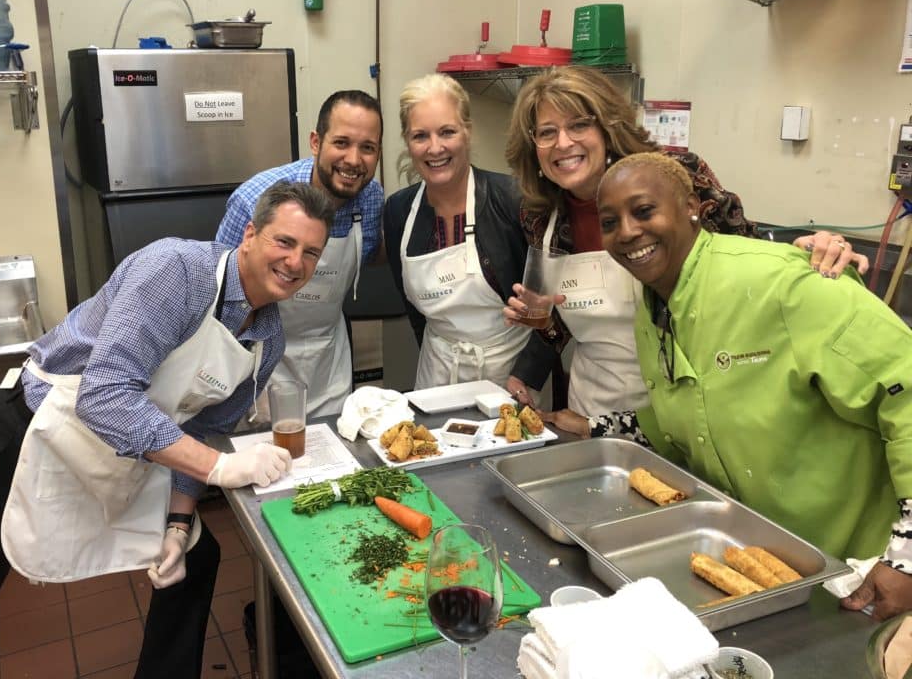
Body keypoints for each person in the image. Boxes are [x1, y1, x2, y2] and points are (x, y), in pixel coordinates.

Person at [0, 182, 336, 679]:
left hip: (118, 453)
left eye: (311, 253)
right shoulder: (176, 273)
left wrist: (178, 527)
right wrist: (220, 466)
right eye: (284, 242)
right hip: (28, 431)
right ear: (249, 234)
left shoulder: (268, 337)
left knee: (197, 557)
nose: (295, 262)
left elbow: (203, 429)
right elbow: (105, 396)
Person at [594, 151, 912, 621]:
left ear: (691, 207)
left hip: (860, 568)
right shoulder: (653, 303)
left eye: (644, 211)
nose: (626, 232)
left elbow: (903, 386)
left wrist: (906, 557)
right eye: (609, 222)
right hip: (767, 565)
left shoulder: (781, 282)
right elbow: (686, 411)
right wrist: (601, 430)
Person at [501, 65, 869, 434]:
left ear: (607, 127)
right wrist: (545, 322)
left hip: (691, 415)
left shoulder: (673, 179)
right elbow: (566, 324)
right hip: (592, 414)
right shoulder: (542, 216)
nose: (563, 143)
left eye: (579, 124)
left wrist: (807, 251)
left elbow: (747, 261)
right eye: (547, 132)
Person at [216, 90, 384, 418]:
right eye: (341, 142)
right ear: (316, 142)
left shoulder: (370, 199)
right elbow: (220, 299)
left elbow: (371, 255)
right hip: (259, 364)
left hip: (329, 364)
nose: (353, 160)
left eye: (367, 148)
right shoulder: (254, 201)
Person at [383, 73, 548, 389]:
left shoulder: (515, 200)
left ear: (467, 132)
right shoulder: (399, 211)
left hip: (511, 372)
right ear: (407, 141)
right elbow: (415, 313)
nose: (435, 148)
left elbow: (546, 309)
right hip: (437, 372)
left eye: (447, 132)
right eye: (420, 136)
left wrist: (527, 374)